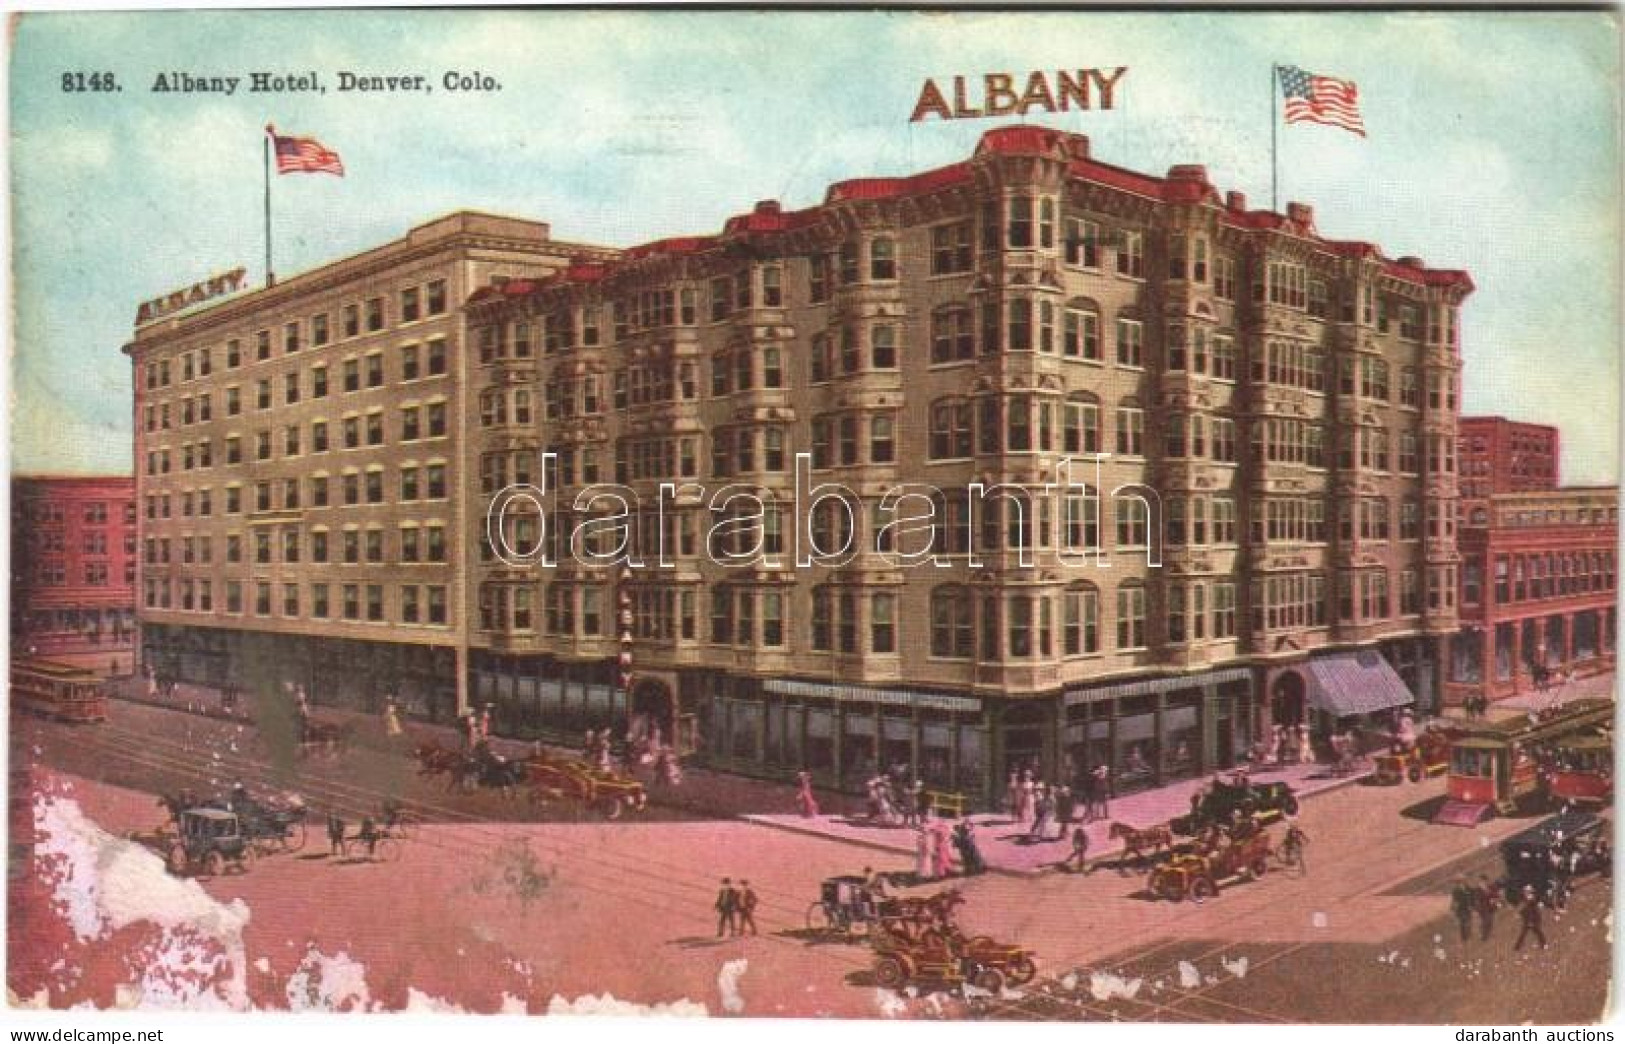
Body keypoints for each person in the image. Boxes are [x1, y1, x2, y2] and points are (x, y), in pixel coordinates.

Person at [1514, 886, 1547, 950]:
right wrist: (1520, 914)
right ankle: (1517, 946)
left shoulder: (1532, 901)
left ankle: (1544, 944)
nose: (1525, 893)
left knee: (1537, 931)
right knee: (1524, 932)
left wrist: (1530, 921)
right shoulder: (1527, 900)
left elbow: (1530, 911)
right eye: (1524, 892)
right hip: (1528, 919)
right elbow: (1525, 909)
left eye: (1526, 892)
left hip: (1533, 919)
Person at [1474, 875, 1498, 941]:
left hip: (1490, 906)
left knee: (1490, 921)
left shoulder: (1489, 887)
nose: (1483, 882)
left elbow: (1495, 894)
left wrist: (1492, 896)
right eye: (1481, 881)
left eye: (1484, 881)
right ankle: (1483, 936)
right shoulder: (1477, 889)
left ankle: (1487, 934)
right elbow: (1477, 899)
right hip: (1482, 908)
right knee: (1486, 921)